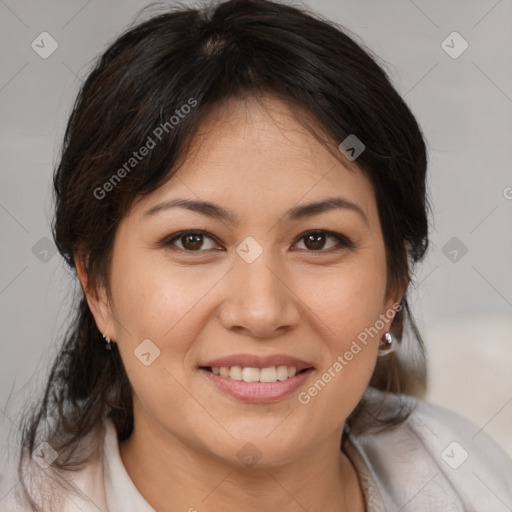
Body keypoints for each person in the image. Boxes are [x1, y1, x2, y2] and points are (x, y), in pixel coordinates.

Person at [7, 0, 512, 510]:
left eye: (317, 240)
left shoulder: (476, 477)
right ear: (98, 288)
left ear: (393, 283)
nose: (261, 311)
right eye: (193, 240)